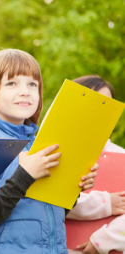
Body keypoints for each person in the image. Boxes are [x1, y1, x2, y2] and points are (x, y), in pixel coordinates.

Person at [0, 49, 98, 254]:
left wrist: (74, 188)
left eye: (32, 84)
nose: (25, 91)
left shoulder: (44, 143)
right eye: (11, 83)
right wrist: (25, 175)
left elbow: (53, 214)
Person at [66, 75, 125, 254]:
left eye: (107, 104)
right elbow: (49, 200)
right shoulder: (51, 151)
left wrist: (103, 241)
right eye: (93, 101)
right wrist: (106, 203)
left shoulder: (120, 156)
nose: (100, 109)